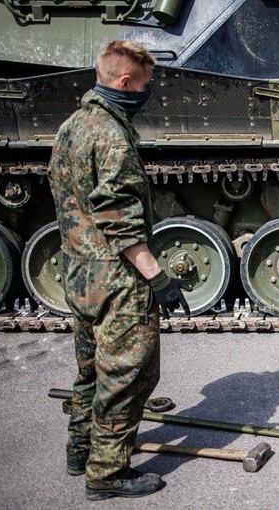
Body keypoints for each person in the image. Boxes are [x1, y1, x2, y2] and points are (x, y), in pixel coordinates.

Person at [48, 40, 191, 501]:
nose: (147, 92)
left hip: (80, 273)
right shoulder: (111, 135)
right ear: (125, 82)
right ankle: (107, 475)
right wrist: (158, 278)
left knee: (90, 370)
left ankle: (79, 450)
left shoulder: (73, 126)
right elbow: (119, 218)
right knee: (127, 377)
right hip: (116, 281)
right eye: (145, 84)